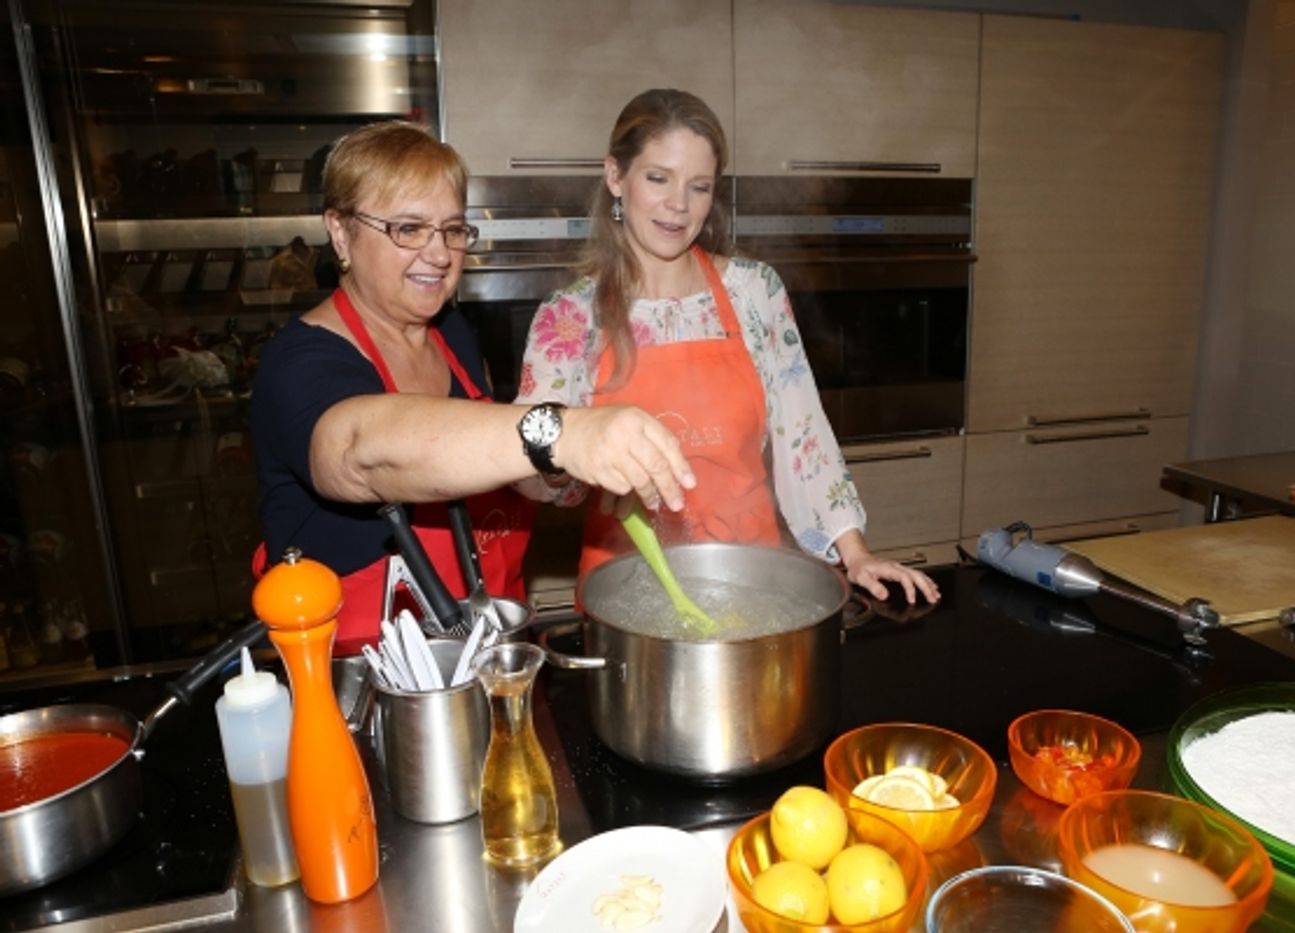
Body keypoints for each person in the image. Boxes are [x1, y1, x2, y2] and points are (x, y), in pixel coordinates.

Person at [251, 121, 696, 651]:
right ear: (341, 231)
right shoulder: (298, 362)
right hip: (365, 679)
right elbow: (361, 453)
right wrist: (560, 432)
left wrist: (564, 471)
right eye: (408, 229)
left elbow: (481, 463)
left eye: (453, 230)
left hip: (486, 646)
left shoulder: (452, 335)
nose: (439, 254)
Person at [514, 90, 939, 604]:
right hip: (629, 593)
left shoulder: (754, 292)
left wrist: (856, 552)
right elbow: (542, 481)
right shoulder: (570, 318)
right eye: (658, 178)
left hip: (753, 579)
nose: (678, 205)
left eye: (699, 187)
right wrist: (561, 460)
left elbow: (802, 432)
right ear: (615, 177)